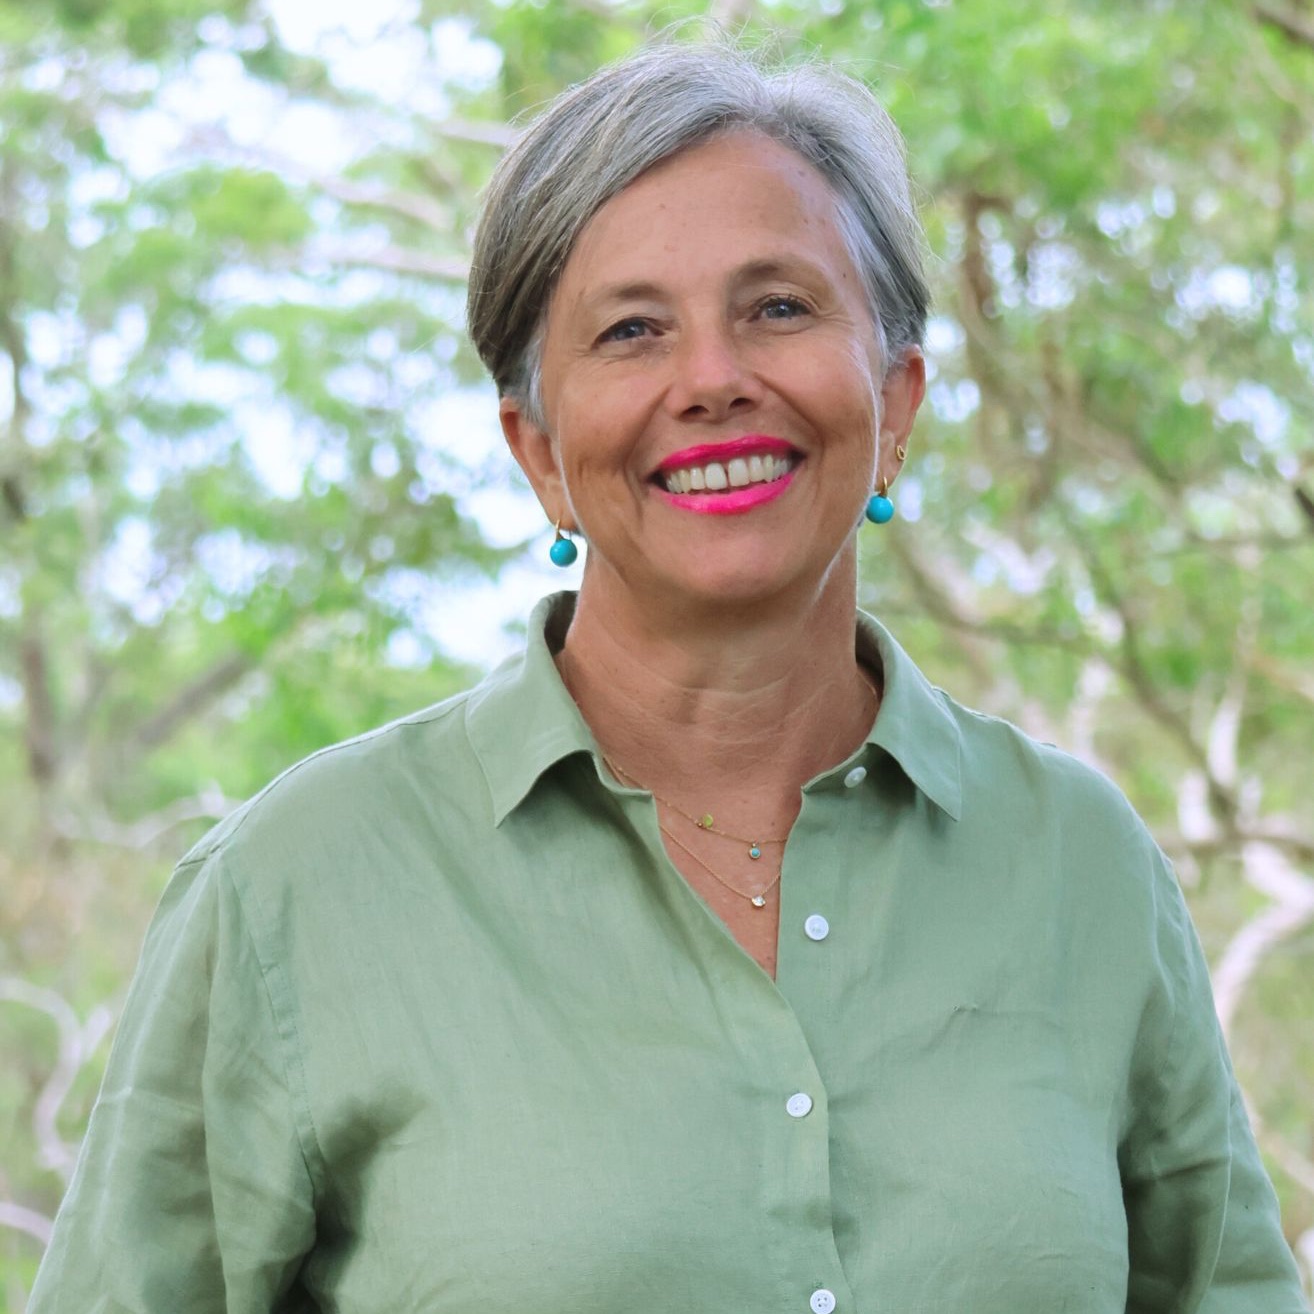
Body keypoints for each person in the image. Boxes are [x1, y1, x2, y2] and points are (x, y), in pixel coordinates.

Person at [29, 39, 1311, 1314]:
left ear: (898, 401)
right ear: (538, 451)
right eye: (632, 330)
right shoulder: (294, 890)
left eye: (779, 308)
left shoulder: (1082, 866)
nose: (712, 381)